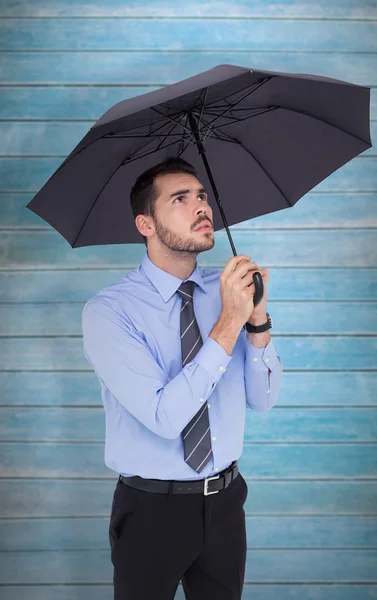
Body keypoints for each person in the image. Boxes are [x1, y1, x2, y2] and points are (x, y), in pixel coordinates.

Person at [81, 156, 283, 599]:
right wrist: (230, 323)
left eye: (202, 196)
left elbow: (264, 400)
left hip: (228, 500)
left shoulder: (229, 289)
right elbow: (164, 416)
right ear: (145, 224)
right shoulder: (109, 312)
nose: (201, 207)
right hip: (152, 509)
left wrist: (258, 320)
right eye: (180, 199)